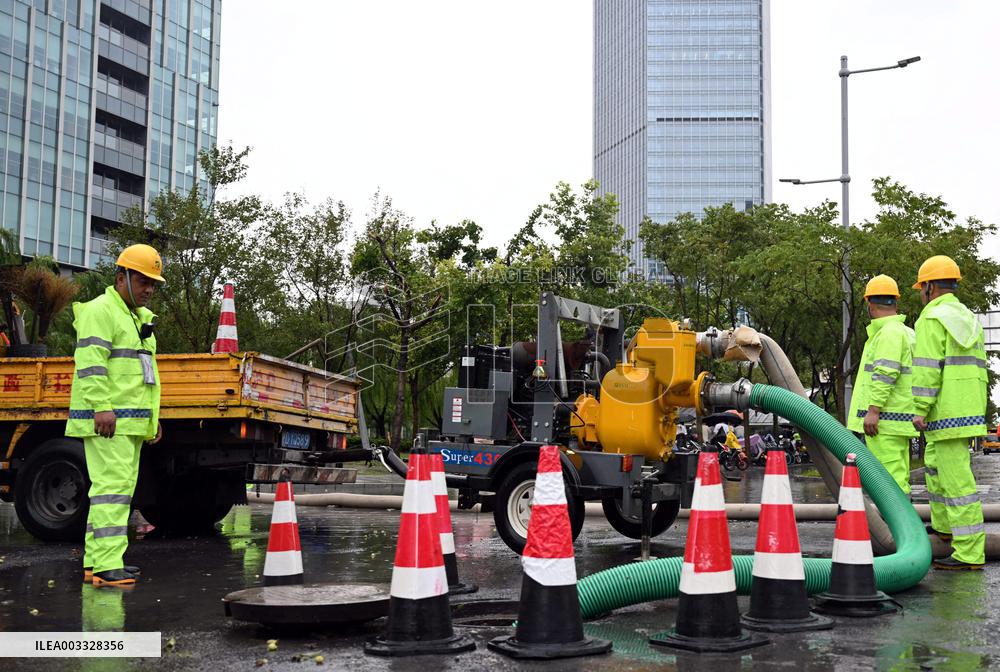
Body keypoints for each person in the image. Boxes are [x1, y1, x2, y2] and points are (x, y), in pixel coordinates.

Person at [66, 244, 164, 587]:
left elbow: (142, 377)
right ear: (121, 277)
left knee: (114, 492)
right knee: (113, 491)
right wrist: (101, 407)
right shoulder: (101, 310)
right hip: (109, 421)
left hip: (127, 421)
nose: (148, 289)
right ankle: (107, 567)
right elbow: (90, 365)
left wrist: (152, 419)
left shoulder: (137, 319)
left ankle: (98, 562)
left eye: (153, 283)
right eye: (142, 281)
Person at [911, 255, 987, 571]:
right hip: (966, 408)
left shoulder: (931, 319)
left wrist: (919, 408)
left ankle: (969, 552)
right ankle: (944, 529)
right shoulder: (968, 318)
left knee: (957, 483)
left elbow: (927, 369)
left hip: (944, 411)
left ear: (930, 286)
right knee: (935, 469)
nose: (920, 293)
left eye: (921, 287)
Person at [846, 275, 918, 495]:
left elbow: (886, 373)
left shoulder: (888, 333)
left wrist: (874, 410)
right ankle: (902, 516)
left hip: (884, 422)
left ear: (869, 303)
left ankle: (895, 517)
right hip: (896, 420)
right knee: (897, 477)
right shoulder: (905, 332)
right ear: (895, 301)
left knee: (888, 482)